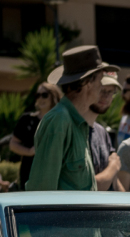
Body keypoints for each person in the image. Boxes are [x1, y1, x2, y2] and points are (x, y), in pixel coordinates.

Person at [26, 46, 119, 192]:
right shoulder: (59, 121)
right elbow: (42, 191)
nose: (102, 87)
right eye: (100, 81)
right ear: (87, 82)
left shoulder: (77, 122)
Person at [10, 82, 60, 189]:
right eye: (37, 95)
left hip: (55, 172)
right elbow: (13, 144)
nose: (41, 98)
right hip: (29, 172)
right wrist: (29, 152)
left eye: (45, 95)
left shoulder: (61, 120)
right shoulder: (26, 119)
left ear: (53, 96)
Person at [88, 69, 123, 191]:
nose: (106, 96)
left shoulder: (102, 132)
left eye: (111, 92)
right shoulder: (72, 128)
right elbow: (87, 190)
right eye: (102, 90)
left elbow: (114, 182)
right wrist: (114, 166)